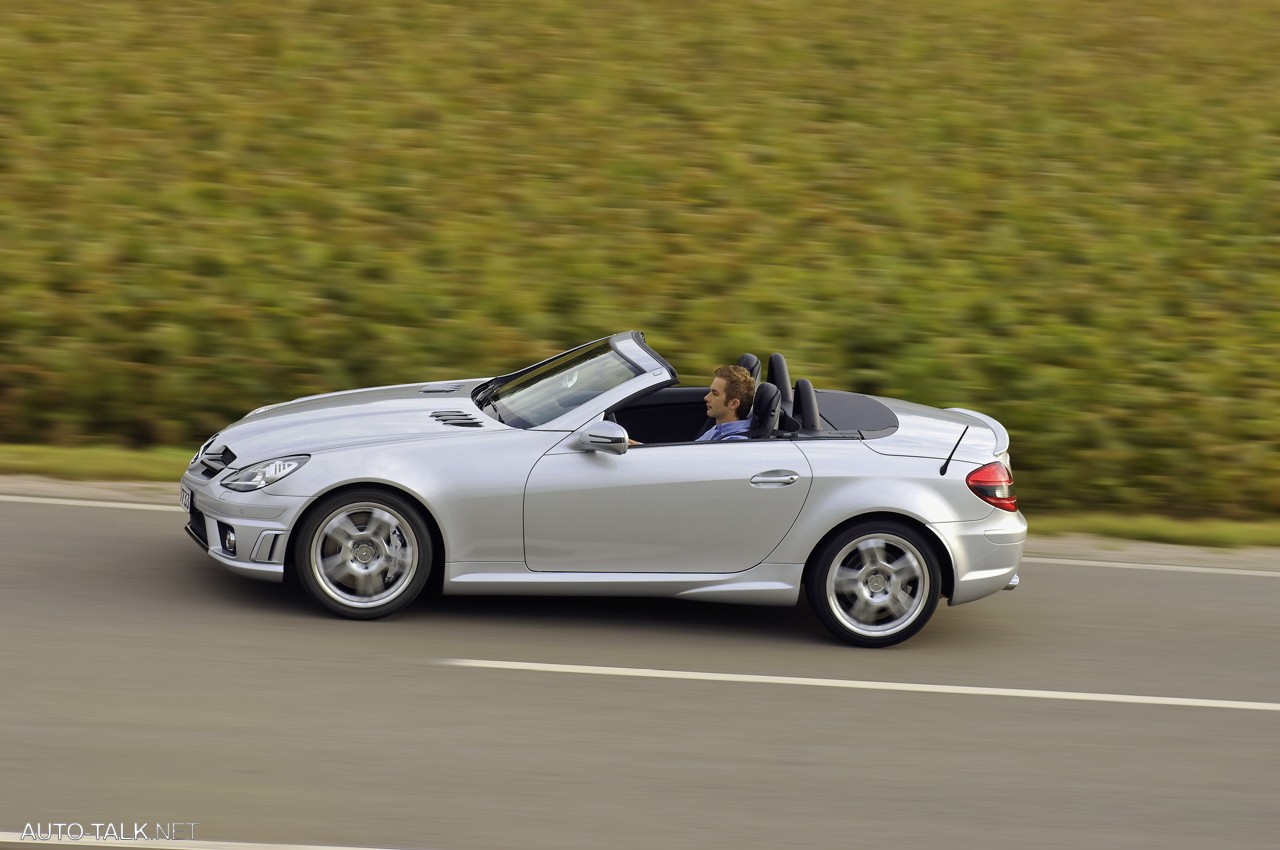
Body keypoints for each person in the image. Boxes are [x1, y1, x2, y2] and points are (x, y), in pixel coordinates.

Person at [695, 364, 755, 441]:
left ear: (733, 404)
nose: (706, 398)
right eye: (710, 391)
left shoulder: (733, 442)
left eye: (715, 394)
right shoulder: (719, 429)